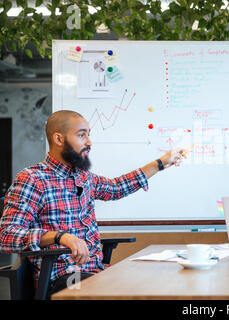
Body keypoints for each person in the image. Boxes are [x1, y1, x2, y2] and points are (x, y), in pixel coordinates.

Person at [0, 110, 186, 296]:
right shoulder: (32, 179)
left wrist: (161, 163)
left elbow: (116, 188)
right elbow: (7, 236)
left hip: (94, 272)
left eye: (88, 135)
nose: (89, 142)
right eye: (81, 135)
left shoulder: (83, 177)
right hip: (64, 278)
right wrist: (60, 237)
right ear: (59, 139)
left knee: (147, 282)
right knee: (121, 291)